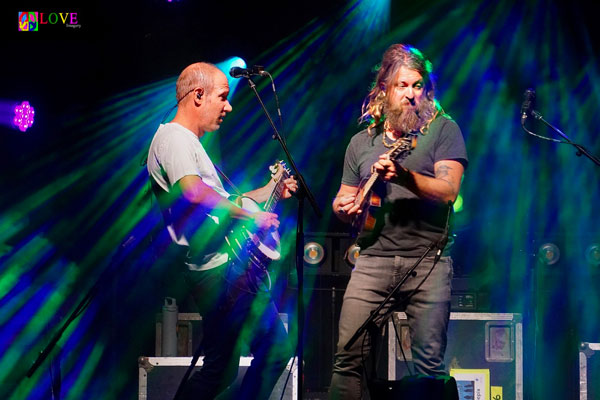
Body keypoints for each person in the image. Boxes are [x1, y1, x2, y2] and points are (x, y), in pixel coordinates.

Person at [147, 62, 297, 400]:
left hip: (225, 271)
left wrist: (271, 189)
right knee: (273, 350)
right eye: (223, 97)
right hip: (218, 274)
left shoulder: (190, 143)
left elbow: (224, 199)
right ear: (198, 95)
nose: (228, 106)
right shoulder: (173, 138)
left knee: (222, 367)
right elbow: (193, 192)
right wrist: (248, 215)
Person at [329, 44, 468, 399]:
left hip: (428, 261)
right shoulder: (361, 142)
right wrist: (343, 206)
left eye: (417, 85)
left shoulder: (443, 131)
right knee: (348, 359)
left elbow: (449, 191)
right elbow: (344, 197)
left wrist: (403, 176)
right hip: (372, 259)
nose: (410, 94)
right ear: (385, 90)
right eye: (402, 85)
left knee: (428, 368)